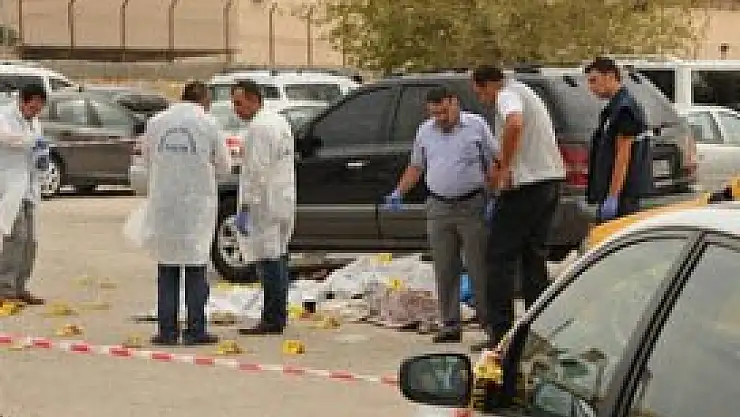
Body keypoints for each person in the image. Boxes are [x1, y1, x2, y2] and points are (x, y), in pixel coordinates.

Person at [384, 87, 498, 344]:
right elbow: (416, 166)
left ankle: (491, 327)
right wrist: (399, 192)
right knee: (445, 268)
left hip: (471, 205)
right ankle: (450, 324)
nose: (441, 118)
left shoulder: (476, 126)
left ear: (455, 103)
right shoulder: (425, 131)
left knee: (479, 269)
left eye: (444, 112)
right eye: (435, 114)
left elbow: (494, 161)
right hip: (438, 207)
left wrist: (495, 195)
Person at [124, 81, 232, 346]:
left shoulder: (156, 122)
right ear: (204, 100)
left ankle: (167, 331)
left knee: (167, 268)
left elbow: (146, 159)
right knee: (196, 269)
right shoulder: (208, 123)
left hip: (164, 204)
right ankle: (195, 329)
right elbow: (224, 166)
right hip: (196, 206)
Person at [471, 66, 566, 351]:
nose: (482, 99)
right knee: (533, 260)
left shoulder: (507, 95)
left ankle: (501, 335)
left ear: (488, 85)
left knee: (499, 259)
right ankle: (539, 332)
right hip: (549, 182)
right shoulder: (527, 91)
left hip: (526, 186)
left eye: (480, 93)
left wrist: (503, 166)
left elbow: (514, 123)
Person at [230, 80, 296, 336]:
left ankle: (272, 318)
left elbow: (257, 172)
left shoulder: (259, 128)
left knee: (269, 260)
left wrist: (246, 207)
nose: (236, 109)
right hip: (282, 198)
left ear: (254, 100)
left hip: (265, 203)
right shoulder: (279, 122)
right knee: (278, 256)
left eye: (239, 103)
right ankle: (278, 314)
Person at [585, 57, 650, 221]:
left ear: (610, 76)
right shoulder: (613, 108)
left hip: (623, 195)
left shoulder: (625, 109)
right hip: (612, 191)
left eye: (594, 80)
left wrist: (613, 196)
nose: (591, 87)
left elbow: (623, 155)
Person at [0, 84, 48, 305]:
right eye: (32, 107)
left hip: (29, 186)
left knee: (30, 240)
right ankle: (5, 287)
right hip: (8, 185)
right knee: (16, 235)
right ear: (22, 101)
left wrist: (42, 158)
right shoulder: (4, 116)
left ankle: (20, 286)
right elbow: (7, 138)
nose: (35, 112)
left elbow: (35, 149)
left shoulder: (35, 122)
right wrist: (31, 141)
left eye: (39, 109)